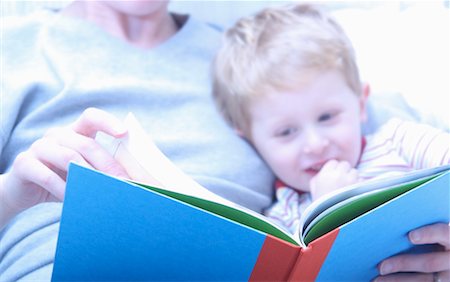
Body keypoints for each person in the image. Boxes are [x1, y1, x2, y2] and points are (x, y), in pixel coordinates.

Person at [0, 1, 446, 281]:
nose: (311, 141)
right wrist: (10, 195)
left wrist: (432, 248)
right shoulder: (15, 47)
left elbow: (370, 133)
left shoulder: (255, 59)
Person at [212, 4, 450, 281]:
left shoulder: (401, 141)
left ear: (361, 104)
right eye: (286, 132)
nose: (315, 144)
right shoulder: (282, 219)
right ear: (251, 140)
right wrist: (328, 210)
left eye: (327, 116)